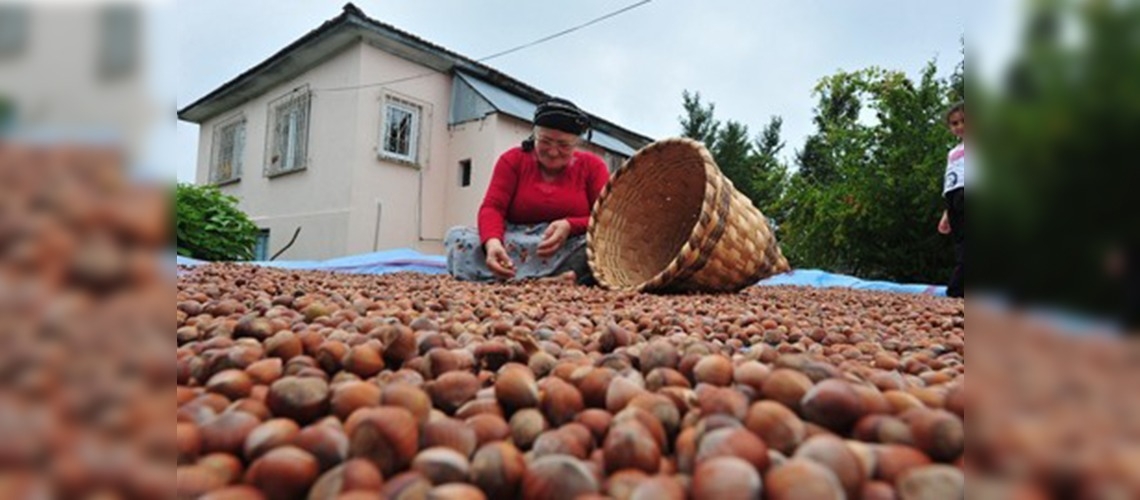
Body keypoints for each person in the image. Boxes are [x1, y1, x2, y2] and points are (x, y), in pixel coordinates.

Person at [445, 97, 610, 284]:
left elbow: (605, 219)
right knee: (458, 237)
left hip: (567, 244)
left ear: (576, 144)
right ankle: (547, 280)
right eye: (546, 141)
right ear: (534, 136)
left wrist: (570, 225)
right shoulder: (512, 160)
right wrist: (492, 243)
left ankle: (515, 280)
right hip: (517, 240)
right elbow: (493, 208)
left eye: (563, 145)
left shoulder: (593, 166)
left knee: (598, 247)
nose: (553, 152)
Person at [938, 101, 966, 298]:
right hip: (954, 197)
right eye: (955, 123)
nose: (960, 126)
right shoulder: (953, 153)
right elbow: (950, 181)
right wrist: (946, 213)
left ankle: (957, 288)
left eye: (965, 121)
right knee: (961, 242)